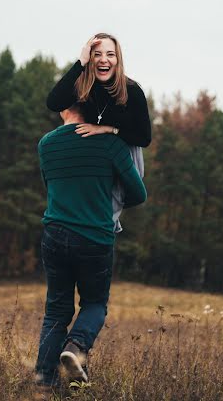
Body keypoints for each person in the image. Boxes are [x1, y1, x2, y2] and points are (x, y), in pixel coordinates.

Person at [34, 104, 147, 398]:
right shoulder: (110, 143)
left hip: (55, 234)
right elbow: (138, 193)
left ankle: (44, 383)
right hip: (95, 237)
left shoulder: (47, 143)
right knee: (95, 304)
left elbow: (51, 186)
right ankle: (75, 348)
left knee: (56, 311)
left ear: (65, 107)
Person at [46, 33, 152, 148]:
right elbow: (53, 104)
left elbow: (144, 139)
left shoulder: (132, 90)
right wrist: (81, 62)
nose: (103, 60)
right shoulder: (83, 86)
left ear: (117, 60)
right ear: (90, 59)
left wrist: (106, 129)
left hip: (124, 156)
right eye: (97, 54)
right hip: (90, 152)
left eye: (110, 54)